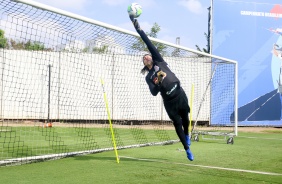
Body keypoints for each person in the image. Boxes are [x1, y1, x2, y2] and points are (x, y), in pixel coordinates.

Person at [129, 15, 194, 161]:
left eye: (147, 56)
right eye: (144, 58)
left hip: (179, 93)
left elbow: (148, 42)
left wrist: (138, 28)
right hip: (169, 102)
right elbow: (153, 93)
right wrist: (158, 80)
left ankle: (187, 134)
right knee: (177, 124)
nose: (146, 57)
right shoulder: (148, 77)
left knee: (186, 118)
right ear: (145, 64)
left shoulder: (159, 60)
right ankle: (187, 149)